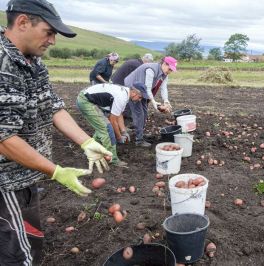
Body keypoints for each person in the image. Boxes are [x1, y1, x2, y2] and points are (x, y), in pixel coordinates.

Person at [0, 0, 113, 265]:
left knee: (27, 239)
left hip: (23, 175)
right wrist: (55, 171)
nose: (53, 41)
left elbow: (52, 107)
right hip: (5, 182)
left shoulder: (33, 61)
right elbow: (4, 139)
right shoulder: (4, 64)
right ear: (23, 22)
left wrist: (86, 141)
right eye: (49, 32)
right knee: (19, 254)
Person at [76, 82, 147, 166]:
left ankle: (90, 150)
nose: (139, 100)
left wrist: (123, 131)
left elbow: (119, 114)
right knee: (107, 128)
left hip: (88, 99)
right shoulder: (121, 96)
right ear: (134, 93)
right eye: (140, 97)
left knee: (101, 126)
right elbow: (113, 120)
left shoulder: (125, 94)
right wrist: (119, 137)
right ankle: (112, 159)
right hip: (85, 101)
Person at [124, 56, 177, 147]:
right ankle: (138, 140)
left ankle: (141, 134)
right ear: (164, 64)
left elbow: (164, 88)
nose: (170, 71)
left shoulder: (164, 74)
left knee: (144, 113)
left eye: (172, 70)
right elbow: (148, 88)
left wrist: (166, 101)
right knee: (139, 114)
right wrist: (154, 103)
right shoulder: (151, 69)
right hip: (133, 89)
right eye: (170, 69)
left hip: (142, 90)